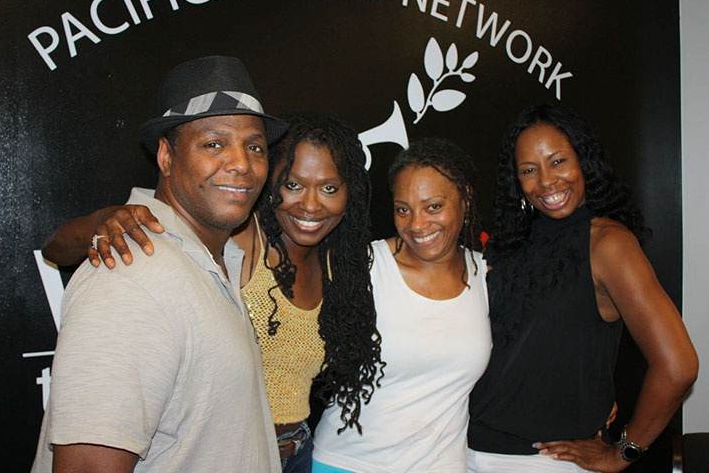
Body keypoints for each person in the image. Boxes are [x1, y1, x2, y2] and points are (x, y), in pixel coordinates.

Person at [41, 112, 384, 473]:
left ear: (349, 194)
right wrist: (101, 221)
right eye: (293, 185)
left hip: (296, 452)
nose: (310, 205)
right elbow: (55, 248)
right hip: (224, 454)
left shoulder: (338, 265)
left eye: (329, 188)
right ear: (271, 182)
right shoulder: (239, 236)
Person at [31, 56, 287, 472]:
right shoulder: (131, 278)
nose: (242, 163)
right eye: (214, 143)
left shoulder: (212, 259)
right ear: (166, 157)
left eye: (255, 146)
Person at [467, 104, 698, 472]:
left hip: (545, 461)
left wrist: (623, 453)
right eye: (529, 170)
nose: (546, 181)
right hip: (464, 449)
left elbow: (678, 367)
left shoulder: (609, 244)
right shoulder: (508, 244)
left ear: (584, 161)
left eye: (558, 161)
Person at [312, 138, 493, 473]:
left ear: (465, 200)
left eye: (433, 207)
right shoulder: (364, 267)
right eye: (403, 209)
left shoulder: (486, 274)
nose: (417, 224)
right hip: (347, 462)